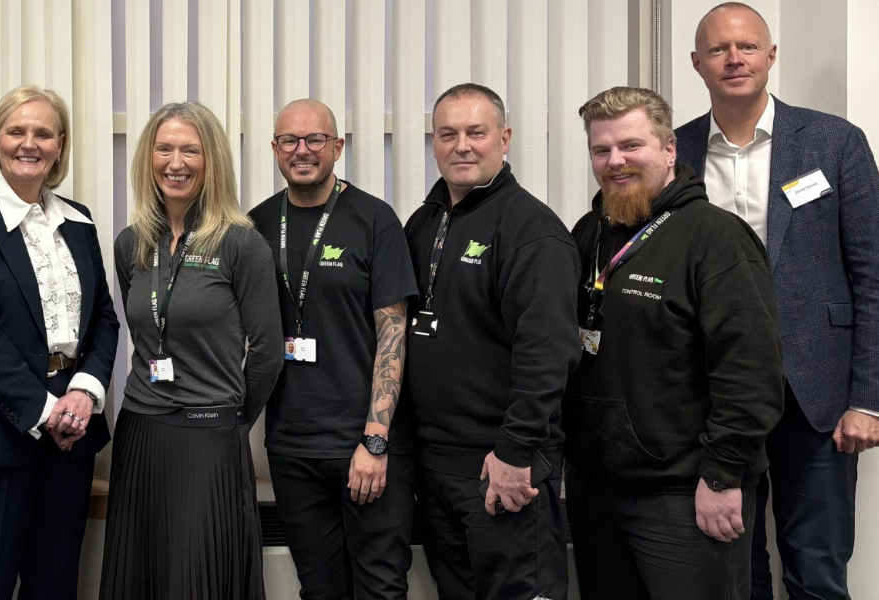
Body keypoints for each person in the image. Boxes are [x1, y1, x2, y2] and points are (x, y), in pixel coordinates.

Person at [673, 5, 879, 598]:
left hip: (816, 394)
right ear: (697, 64)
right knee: (733, 569)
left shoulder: (834, 142)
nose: (734, 59)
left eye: (746, 46)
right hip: (712, 393)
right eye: (718, 49)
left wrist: (867, 398)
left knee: (816, 570)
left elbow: (871, 274)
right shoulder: (675, 151)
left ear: (770, 55)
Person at [565, 86, 784, 600]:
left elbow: (750, 370)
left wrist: (723, 475)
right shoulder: (588, 233)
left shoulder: (716, 238)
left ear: (668, 149)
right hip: (596, 488)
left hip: (685, 493)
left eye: (631, 145)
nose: (615, 161)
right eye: (601, 150)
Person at [0, 85, 119, 600]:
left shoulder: (77, 220)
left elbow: (103, 318)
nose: (29, 143)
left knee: (54, 585)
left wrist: (84, 393)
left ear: (60, 145)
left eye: (43, 133)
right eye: (16, 131)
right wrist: (48, 411)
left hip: (73, 432)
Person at [402, 83, 579, 600]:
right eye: (447, 134)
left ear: (503, 139)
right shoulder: (423, 222)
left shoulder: (531, 230)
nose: (461, 146)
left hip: (501, 463)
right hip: (437, 464)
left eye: (476, 133)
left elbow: (546, 355)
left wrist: (514, 452)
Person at [99, 101, 282, 600]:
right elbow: (144, 333)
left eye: (190, 150)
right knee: (140, 576)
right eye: (164, 149)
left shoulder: (241, 245)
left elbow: (267, 352)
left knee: (194, 577)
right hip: (140, 430)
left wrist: (231, 418)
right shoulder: (132, 243)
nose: (175, 162)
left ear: (212, 160)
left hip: (208, 439)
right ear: (148, 157)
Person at [248, 98, 417, 600]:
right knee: (319, 590)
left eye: (315, 139)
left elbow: (393, 334)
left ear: (337, 147)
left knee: (380, 587)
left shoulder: (374, 220)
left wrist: (375, 441)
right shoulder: (255, 226)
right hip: (291, 446)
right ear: (275, 149)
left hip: (363, 444)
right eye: (289, 140)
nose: (302, 150)